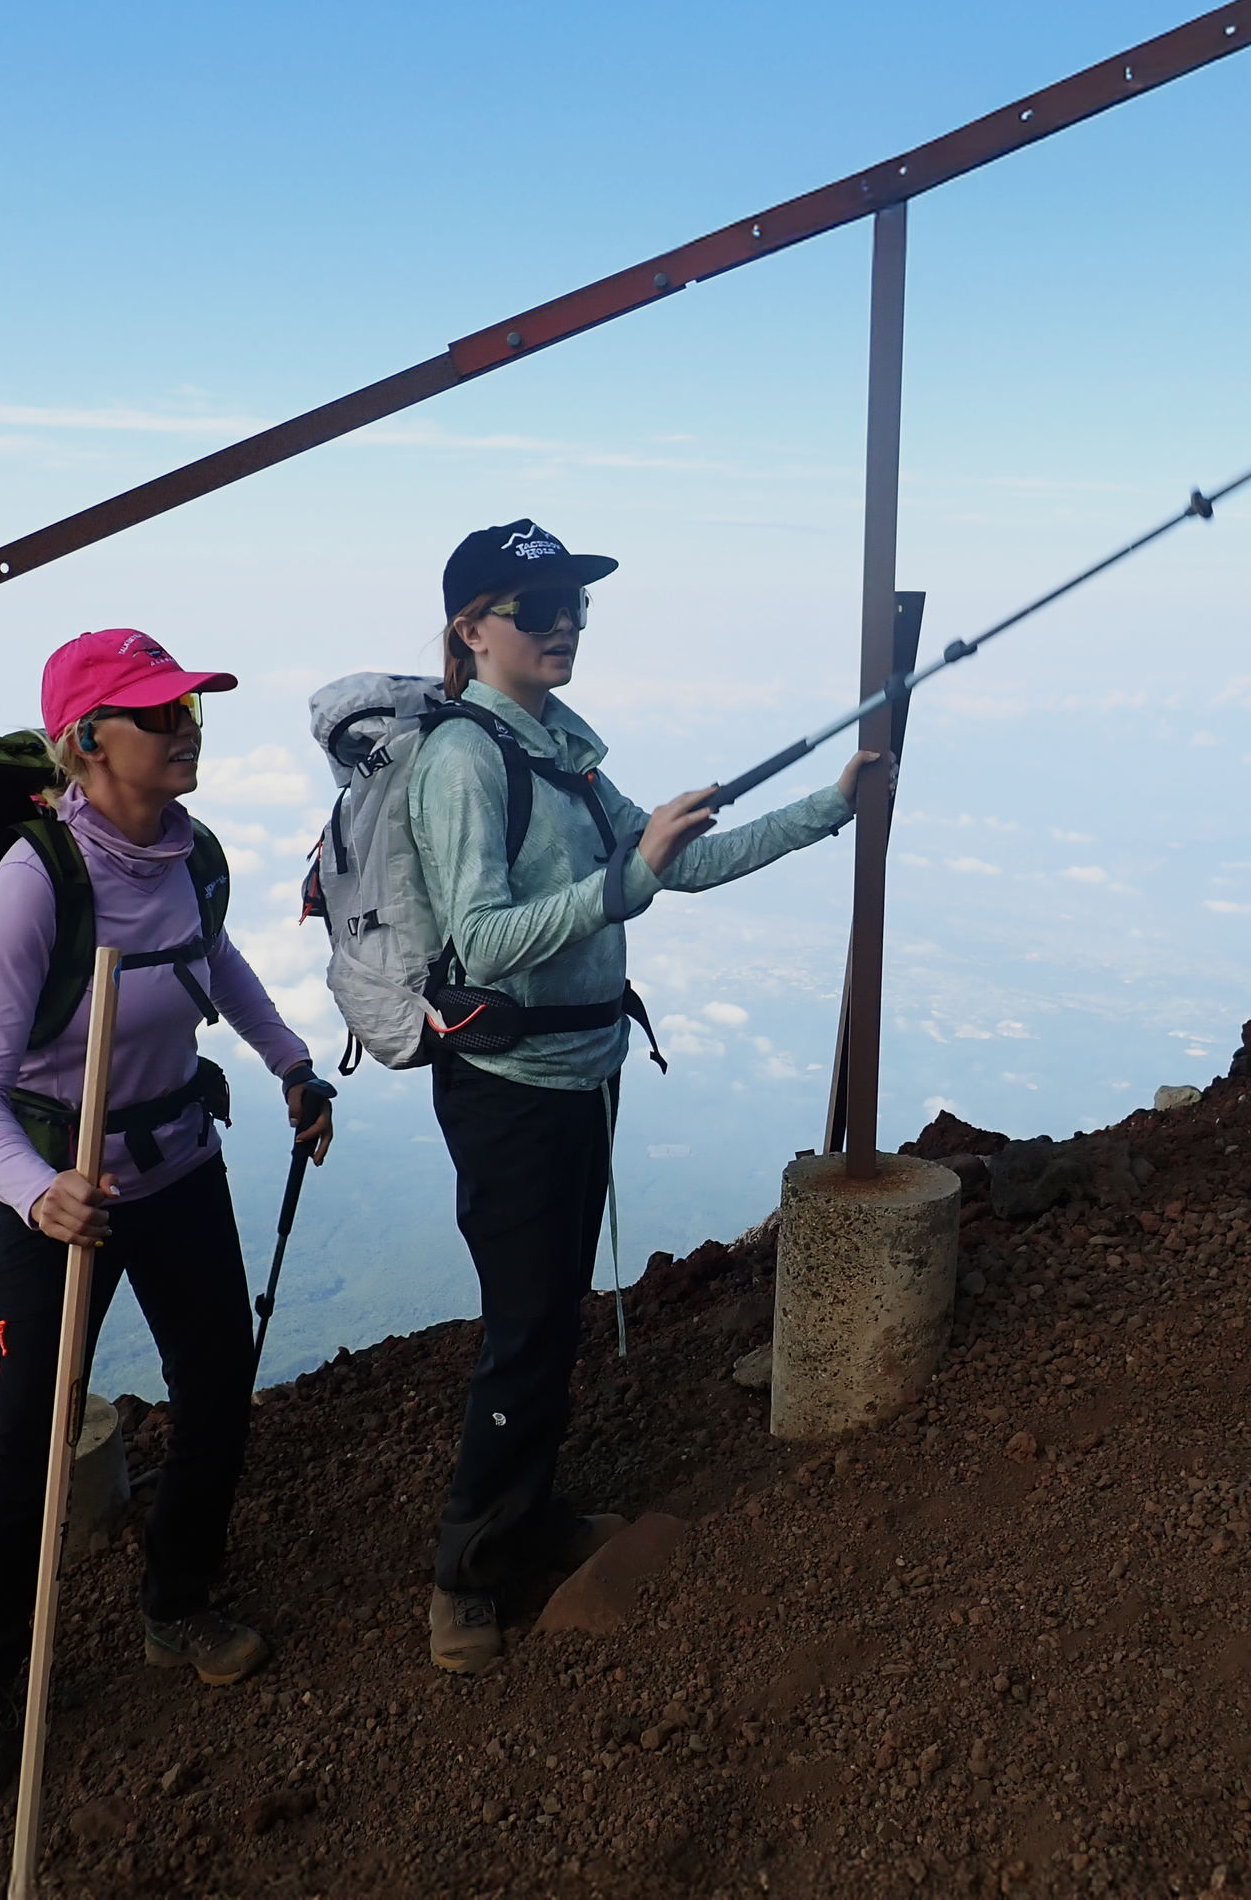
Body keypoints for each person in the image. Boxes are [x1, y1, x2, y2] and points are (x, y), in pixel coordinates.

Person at [409, 520, 880, 1674]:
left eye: (575, 603)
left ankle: (531, 1519)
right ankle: (461, 1580)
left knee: (554, 1314)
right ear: (473, 629)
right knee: (525, 1327)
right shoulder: (467, 759)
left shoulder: (560, 746)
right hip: (512, 1089)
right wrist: (626, 878)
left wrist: (831, 805)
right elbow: (484, 939)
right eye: (536, 606)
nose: (564, 621)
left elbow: (685, 862)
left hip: (576, 1073)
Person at [0, 628, 333, 1811]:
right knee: (28, 1448)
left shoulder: (188, 854)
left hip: (176, 1169)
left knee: (217, 1393)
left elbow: (218, 959)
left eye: (187, 710)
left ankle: (177, 1601)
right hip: (57, 1200)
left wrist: (291, 1062)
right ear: (88, 739)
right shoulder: (34, 882)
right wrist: (38, 1193)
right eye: (157, 715)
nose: (184, 730)